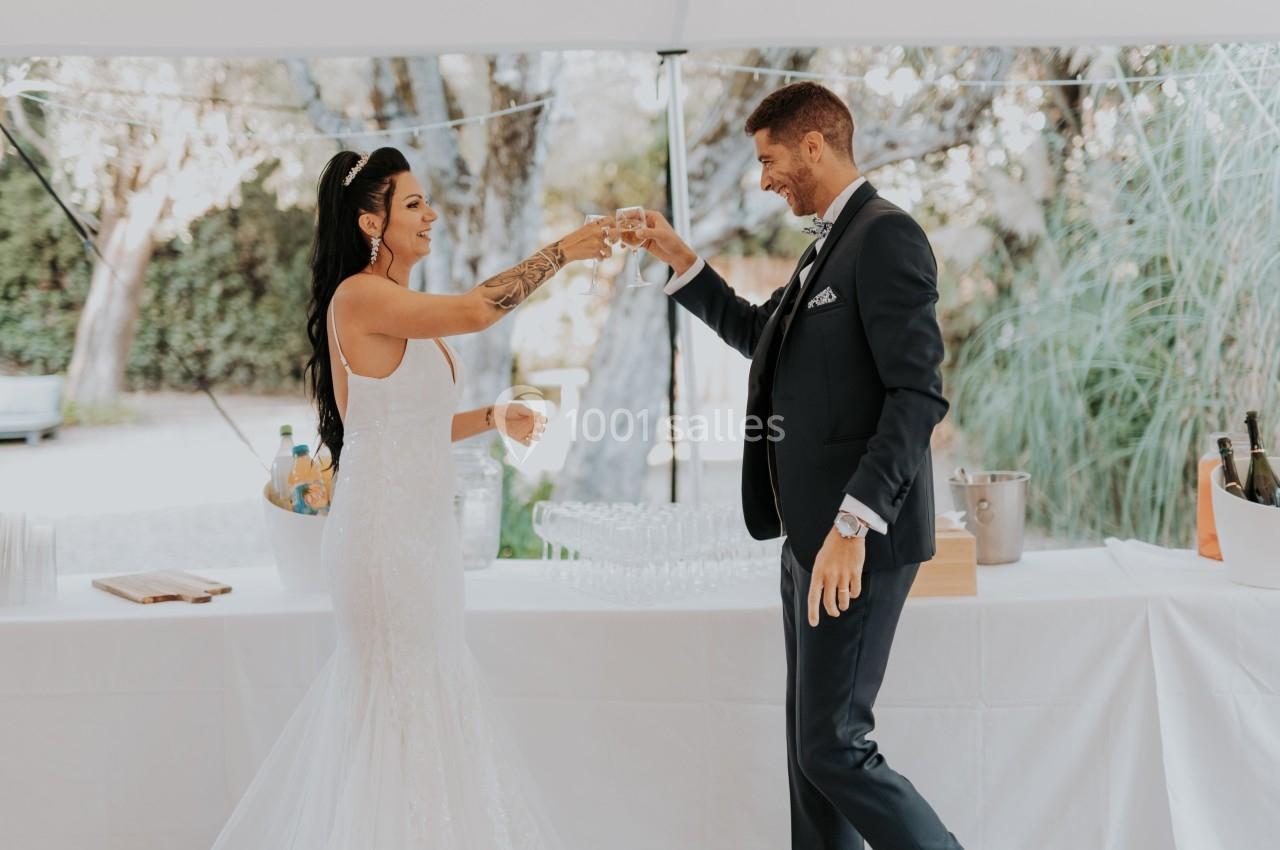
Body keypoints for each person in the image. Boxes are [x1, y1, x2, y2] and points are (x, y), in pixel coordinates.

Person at [209, 146, 611, 849]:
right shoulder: (359, 296)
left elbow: (404, 422)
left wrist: (491, 417)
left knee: (428, 693)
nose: (432, 215)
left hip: (423, 536)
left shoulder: (394, 305)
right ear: (372, 222)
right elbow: (477, 310)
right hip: (384, 542)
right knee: (400, 699)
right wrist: (563, 251)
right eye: (414, 204)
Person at [638, 83, 961, 849]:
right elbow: (763, 336)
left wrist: (853, 525)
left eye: (769, 159)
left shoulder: (884, 236)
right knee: (808, 757)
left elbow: (917, 394)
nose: (763, 180)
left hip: (856, 541)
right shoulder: (827, 244)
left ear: (814, 145)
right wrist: (680, 258)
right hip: (808, 540)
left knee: (833, 748)